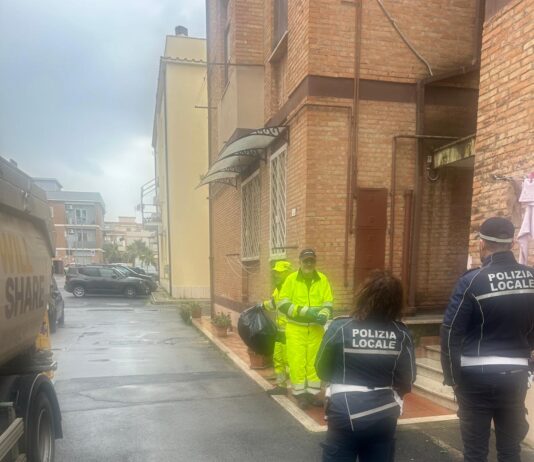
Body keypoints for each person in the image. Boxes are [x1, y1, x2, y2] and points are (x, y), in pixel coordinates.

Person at [440, 216, 534, 462]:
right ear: (512, 243)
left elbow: (451, 331)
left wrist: (452, 377)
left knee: (475, 453)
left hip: (475, 377)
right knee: (510, 451)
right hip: (515, 375)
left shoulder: (471, 280)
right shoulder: (531, 277)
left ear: (482, 243)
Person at [316, 271, 415, 462]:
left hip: (343, 411)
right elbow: (407, 379)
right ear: (396, 302)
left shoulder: (340, 327)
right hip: (383, 414)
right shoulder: (401, 333)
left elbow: (321, 368)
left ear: (363, 295)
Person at [278, 248, 333, 409]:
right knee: (297, 362)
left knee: (314, 362)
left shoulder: (322, 279)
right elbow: (282, 304)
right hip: (296, 329)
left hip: (316, 329)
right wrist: (304, 311)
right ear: (300, 262)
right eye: (306, 261)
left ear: (315, 262)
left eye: (311, 260)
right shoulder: (291, 279)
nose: (309, 263)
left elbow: (328, 303)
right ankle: (300, 395)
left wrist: (324, 314)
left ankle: (312, 394)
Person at [263, 260, 293, 395]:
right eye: (276, 272)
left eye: (280, 272)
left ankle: (300, 391)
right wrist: (262, 305)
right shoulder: (277, 289)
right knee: (278, 358)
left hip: (291, 331)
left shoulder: (292, 289)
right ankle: (281, 386)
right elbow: (274, 304)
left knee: (290, 361)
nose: (277, 275)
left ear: (287, 273)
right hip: (280, 331)